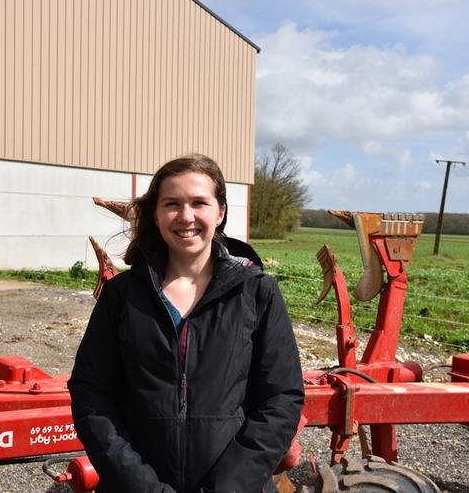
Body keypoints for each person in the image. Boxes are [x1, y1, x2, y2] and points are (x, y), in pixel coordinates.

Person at [68, 154, 304, 493]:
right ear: (156, 213)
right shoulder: (122, 296)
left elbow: (281, 398)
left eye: (199, 203)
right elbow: (92, 395)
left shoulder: (257, 292)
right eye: (172, 204)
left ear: (220, 211)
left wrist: (228, 487)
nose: (186, 216)